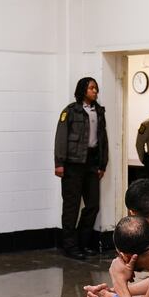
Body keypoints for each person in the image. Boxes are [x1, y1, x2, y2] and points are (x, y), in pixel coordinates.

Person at [54, 77, 109, 260]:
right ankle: (70, 246)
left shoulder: (99, 112)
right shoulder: (70, 111)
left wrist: (102, 164)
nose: (95, 91)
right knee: (72, 206)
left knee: (92, 205)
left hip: (92, 163)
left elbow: (103, 140)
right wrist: (59, 163)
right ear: (83, 90)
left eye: (96, 88)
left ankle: (83, 243)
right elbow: (61, 137)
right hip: (72, 164)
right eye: (92, 88)